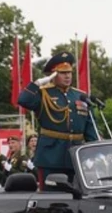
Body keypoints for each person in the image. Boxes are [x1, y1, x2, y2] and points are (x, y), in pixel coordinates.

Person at [17, 51, 99, 185]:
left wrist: (94, 152)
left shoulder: (80, 96)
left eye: (69, 72)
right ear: (53, 75)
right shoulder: (43, 94)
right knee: (51, 198)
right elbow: (23, 100)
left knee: (76, 198)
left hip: (75, 157)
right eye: (62, 73)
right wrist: (37, 84)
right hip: (50, 156)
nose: (67, 76)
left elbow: (90, 129)